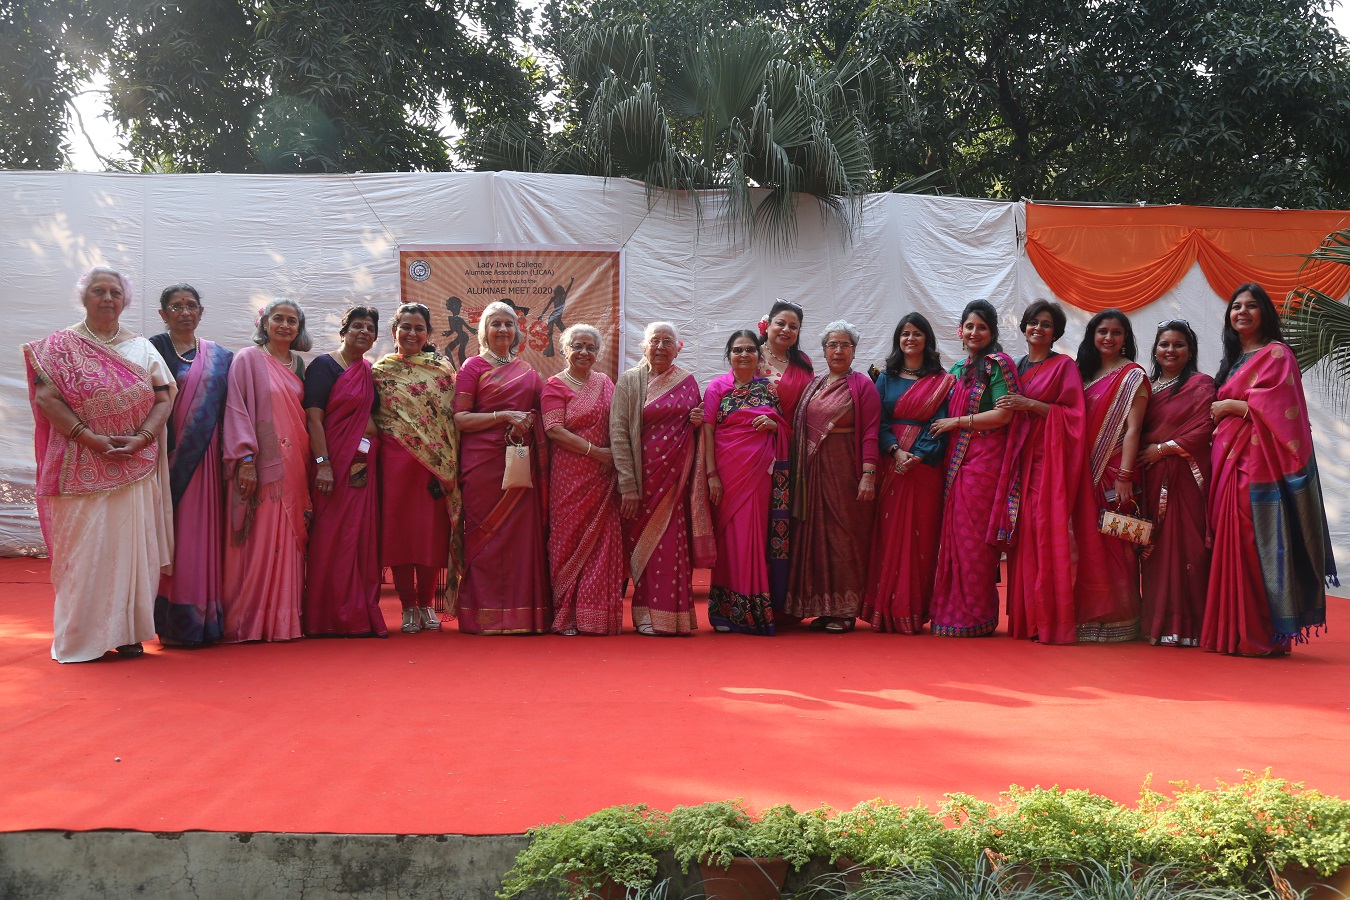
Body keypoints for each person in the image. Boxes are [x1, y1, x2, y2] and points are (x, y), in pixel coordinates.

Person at [24, 266, 175, 662]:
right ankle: (81, 637)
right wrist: (91, 439)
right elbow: (46, 398)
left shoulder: (142, 347)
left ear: (125, 300)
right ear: (84, 296)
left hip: (135, 464)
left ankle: (128, 634)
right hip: (78, 463)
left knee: (130, 551)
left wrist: (142, 439)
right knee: (84, 552)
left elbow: (163, 397)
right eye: (99, 291)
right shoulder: (59, 347)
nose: (107, 298)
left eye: (115, 292)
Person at [1203, 284, 1336, 656]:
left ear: (1265, 312)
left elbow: (1284, 414)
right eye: (1236, 307)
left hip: (1257, 468)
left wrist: (1233, 406)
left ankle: (1261, 635)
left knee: (1254, 543)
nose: (1242, 312)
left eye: (1251, 306)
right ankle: (1231, 631)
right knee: (1230, 543)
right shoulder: (1234, 360)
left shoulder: (1277, 354)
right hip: (1227, 466)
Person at [453, 300, 551, 634]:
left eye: (509, 324)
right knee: (484, 538)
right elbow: (461, 419)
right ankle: (483, 615)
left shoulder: (529, 372)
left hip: (520, 464)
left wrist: (527, 422)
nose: (503, 330)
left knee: (520, 540)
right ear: (484, 330)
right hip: (482, 466)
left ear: (517, 331)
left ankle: (522, 616)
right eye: (495, 323)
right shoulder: (472, 368)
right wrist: (504, 416)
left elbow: (544, 413)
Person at [611, 322, 713, 636]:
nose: (660, 347)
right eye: (654, 341)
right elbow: (618, 434)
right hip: (643, 482)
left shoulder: (687, 381)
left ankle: (675, 617)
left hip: (674, 483)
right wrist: (628, 486)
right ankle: (645, 614)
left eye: (667, 341)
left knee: (670, 547)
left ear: (676, 349)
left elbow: (695, 426)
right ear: (644, 346)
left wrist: (697, 421)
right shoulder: (630, 381)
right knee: (643, 546)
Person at [928, 300, 1022, 637]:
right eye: (969, 326)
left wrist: (958, 422)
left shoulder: (998, 365)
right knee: (953, 537)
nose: (974, 332)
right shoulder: (956, 369)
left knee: (975, 542)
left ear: (992, 332)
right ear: (960, 331)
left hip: (984, 460)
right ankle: (950, 613)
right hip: (956, 458)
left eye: (982, 327)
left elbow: (1004, 414)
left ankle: (977, 616)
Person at [994, 300, 1085, 645]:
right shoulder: (1013, 366)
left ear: (1055, 332)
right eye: (1033, 322)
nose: (1038, 328)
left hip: (1046, 462)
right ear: (1024, 327)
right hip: (1015, 460)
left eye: (1046, 324)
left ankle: (1047, 621)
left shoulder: (1064, 366)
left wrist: (1029, 404)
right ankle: (1025, 618)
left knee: (1043, 532)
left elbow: (1074, 416)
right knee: (1021, 535)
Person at [221, 297, 312, 643]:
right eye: (279, 318)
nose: (285, 325)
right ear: (264, 323)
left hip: (296, 464)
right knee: (258, 540)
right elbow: (236, 410)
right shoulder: (248, 359)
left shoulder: (299, 365)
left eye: (292, 320)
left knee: (289, 539)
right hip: (260, 466)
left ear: (299, 328)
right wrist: (246, 461)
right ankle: (247, 621)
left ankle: (283, 621)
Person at [149, 283, 232, 646]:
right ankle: (172, 622)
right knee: (172, 536)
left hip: (207, 459)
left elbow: (231, 409)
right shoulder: (150, 349)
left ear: (201, 312)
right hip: (165, 460)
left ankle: (205, 620)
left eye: (191, 305)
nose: (185, 312)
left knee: (202, 536)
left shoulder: (220, 356)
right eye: (176, 306)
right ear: (162, 313)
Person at [784, 321, 880, 632]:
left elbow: (871, 432)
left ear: (854, 350)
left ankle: (844, 610)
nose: (838, 350)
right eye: (832, 345)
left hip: (846, 472)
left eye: (845, 345)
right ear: (824, 351)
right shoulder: (814, 385)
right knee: (814, 538)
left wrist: (868, 473)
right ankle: (819, 607)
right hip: (812, 473)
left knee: (844, 539)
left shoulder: (862, 386)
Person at [862, 313, 954, 634]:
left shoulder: (942, 380)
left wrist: (919, 454)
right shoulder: (885, 378)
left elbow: (941, 422)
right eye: (905, 333)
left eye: (917, 333)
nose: (910, 338)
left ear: (927, 339)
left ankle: (912, 611)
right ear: (898, 340)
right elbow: (878, 421)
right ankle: (885, 610)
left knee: (922, 536)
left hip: (925, 466)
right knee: (889, 535)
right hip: (892, 464)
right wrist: (895, 451)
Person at [373, 303, 461, 634]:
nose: (412, 333)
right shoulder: (380, 371)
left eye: (419, 328)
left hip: (434, 464)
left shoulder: (442, 369)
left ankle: (426, 604)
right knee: (399, 534)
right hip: (395, 462)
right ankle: (408, 606)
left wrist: (448, 463)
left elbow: (449, 417)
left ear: (427, 333)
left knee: (429, 533)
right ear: (394, 331)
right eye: (405, 327)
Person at [302, 306, 385, 638]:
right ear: (344, 331)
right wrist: (323, 464)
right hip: (333, 464)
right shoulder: (324, 366)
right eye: (357, 326)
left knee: (356, 535)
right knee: (330, 535)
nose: (364, 332)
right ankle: (326, 616)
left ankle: (355, 613)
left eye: (370, 328)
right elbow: (314, 418)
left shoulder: (367, 371)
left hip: (361, 464)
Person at [1135, 320, 1215, 647]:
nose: (1171, 350)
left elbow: (1206, 427)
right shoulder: (1146, 387)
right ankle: (1158, 622)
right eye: (1164, 344)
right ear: (1155, 349)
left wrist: (1163, 449)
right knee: (1154, 550)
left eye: (1178, 345)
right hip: (1151, 479)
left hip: (1186, 480)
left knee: (1190, 549)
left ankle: (1192, 625)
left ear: (1190, 351)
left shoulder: (1201, 385)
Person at [704, 330, 789, 635]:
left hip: (759, 474)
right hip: (728, 475)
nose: (744, 355)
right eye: (738, 350)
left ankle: (754, 611)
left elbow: (784, 427)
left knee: (756, 536)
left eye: (750, 350)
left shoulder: (768, 389)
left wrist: (773, 425)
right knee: (730, 540)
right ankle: (725, 612)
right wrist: (712, 475)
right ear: (729, 355)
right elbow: (708, 431)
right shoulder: (717, 388)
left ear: (758, 356)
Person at [1073, 308, 1150, 643]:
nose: (1108, 337)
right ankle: (1087, 617)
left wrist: (1124, 475)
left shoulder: (1133, 376)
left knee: (1115, 544)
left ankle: (1121, 619)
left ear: (1125, 339)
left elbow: (1133, 429)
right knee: (1086, 546)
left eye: (1116, 332)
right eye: (1102, 331)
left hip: (1114, 471)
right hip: (1082, 472)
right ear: (1092, 335)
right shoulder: (1084, 375)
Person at [543, 324, 624, 635]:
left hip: (603, 477)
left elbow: (619, 422)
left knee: (601, 543)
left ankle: (595, 616)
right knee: (567, 540)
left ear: (598, 352)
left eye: (590, 347)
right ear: (565, 350)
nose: (584, 352)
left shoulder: (605, 383)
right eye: (577, 346)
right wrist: (597, 453)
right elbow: (555, 430)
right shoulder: (554, 385)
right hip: (569, 477)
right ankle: (566, 615)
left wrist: (612, 456)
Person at [756, 299, 815, 615]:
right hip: (757, 452)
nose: (786, 330)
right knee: (757, 523)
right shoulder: (751, 355)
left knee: (787, 525)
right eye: (781, 323)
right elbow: (735, 397)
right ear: (768, 325)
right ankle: (755, 598)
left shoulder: (802, 362)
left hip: (794, 453)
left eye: (793, 326)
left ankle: (784, 603)